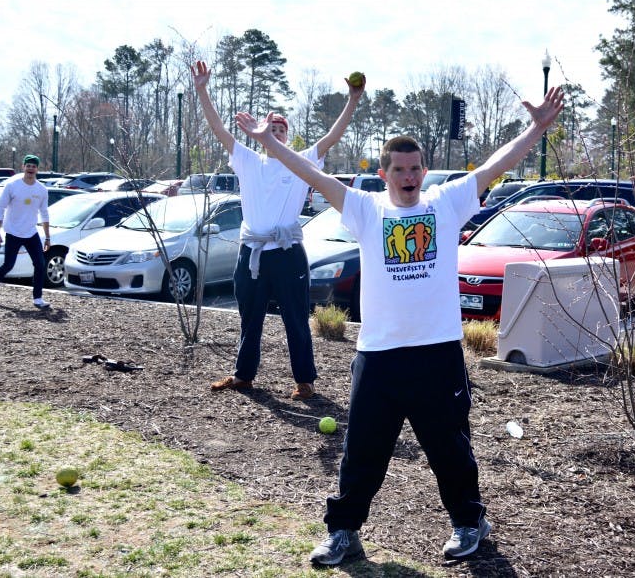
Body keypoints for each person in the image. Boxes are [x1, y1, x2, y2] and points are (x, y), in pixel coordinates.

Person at [235, 83, 564, 565]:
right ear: (384, 173)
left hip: (437, 353)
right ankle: (344, 531)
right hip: (378, 354)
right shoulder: (366, 209)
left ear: (423, 172)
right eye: (399, 169)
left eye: (415, 169)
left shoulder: (446, 202)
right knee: (361, 449)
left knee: (448, 447)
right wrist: (270, 142)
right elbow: (309, 171)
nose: (408, 177)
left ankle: (469, 522)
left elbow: (498, 164)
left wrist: (536, 128)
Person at [191, 60, 365, 400]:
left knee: (296, 320)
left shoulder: (302, 162)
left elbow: (332, 137)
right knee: (249, 318)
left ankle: (305, 382)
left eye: (283, 128)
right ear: (261, 132)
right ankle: (243, 375)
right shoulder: (247, 160)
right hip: (252, 253)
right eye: (272, 126)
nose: (278, 131)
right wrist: (202, 90)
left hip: (287, 254)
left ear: (288, 138)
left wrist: (353, 100)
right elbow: (218, 130)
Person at [0, 155, 52, 309]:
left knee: (40, 264)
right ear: (23, 167)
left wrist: (47, 237)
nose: (30, 169)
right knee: (8, 265)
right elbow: (0, 208)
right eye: (28, 166)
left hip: (31, 232)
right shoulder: (12, 185)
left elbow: (44, 213)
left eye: (33, 166)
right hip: (13, 231)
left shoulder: (41, 189)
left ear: (37, 169)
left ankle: (38, 298)